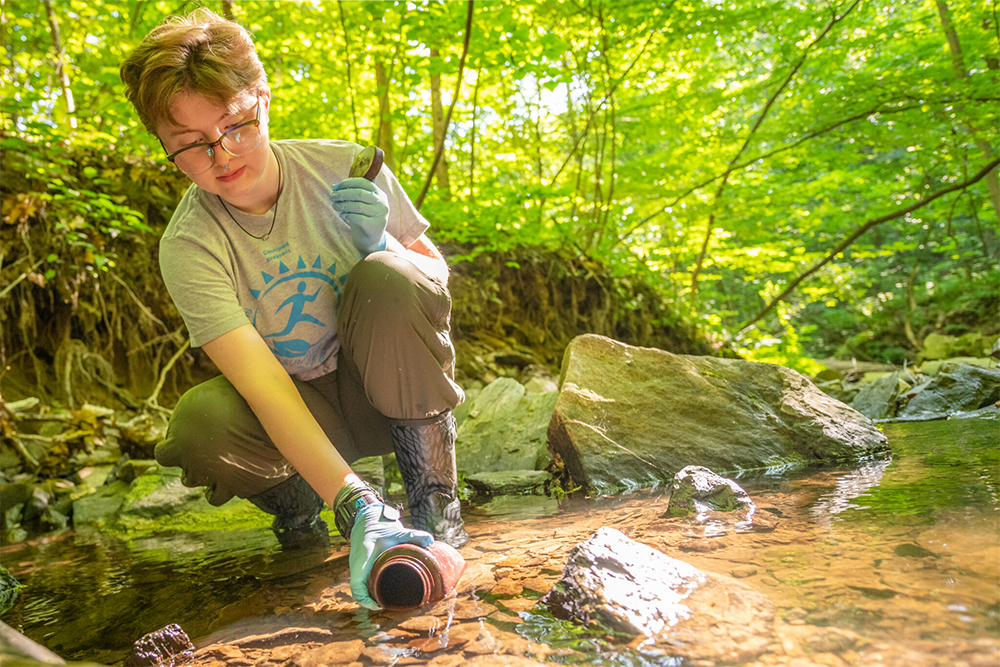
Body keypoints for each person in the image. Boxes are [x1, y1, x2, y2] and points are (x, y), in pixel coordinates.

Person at [118, 8, 468, 610]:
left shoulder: (348, 166)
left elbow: (436, 282)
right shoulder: (189, 244)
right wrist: (356, 503)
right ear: (166, 147)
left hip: (383, 391)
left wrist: (383, 245)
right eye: (192, 147)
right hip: (299, 411)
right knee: (201, 426)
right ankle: (307, 512)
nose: (222, 156)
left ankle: (437, 506)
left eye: (236, 125)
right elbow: (261, 386)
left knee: (389, 277)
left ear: (263, 98)